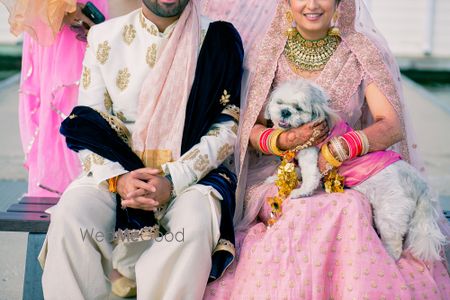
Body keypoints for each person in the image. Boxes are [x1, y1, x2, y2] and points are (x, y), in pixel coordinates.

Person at [204, 0, 450, 299]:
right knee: (299, 211)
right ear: (287, 2)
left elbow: (390, 125)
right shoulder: (268, 51)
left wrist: (336, 150)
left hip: (347, 178)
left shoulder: (361, 52)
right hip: (278, 176)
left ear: (338, 2)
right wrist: (285, 141)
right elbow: (249, 129)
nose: (311, 4)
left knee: (347, 207)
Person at [38, 0, 244, 299]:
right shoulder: (105, 37)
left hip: (189, 175)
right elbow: (88, 124)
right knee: (72, 214)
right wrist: (119, 180)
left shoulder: (218, 38)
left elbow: (226, 128)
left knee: (196, 219)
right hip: (117, 172)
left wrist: (172, 180)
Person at [0, 0, 109, 196]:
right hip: (67, 29)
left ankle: (92, 194)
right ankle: (70, 196)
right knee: (72, 108)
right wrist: (69, 10)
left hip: (90, 17)